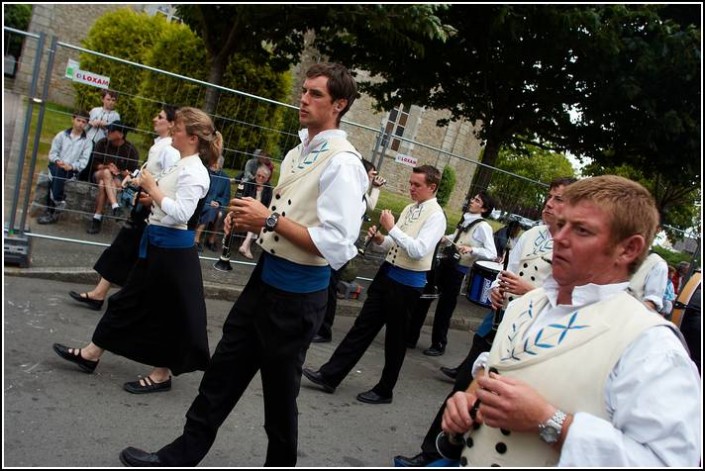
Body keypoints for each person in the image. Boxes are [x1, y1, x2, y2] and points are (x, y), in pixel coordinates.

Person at [119, 62, 368, 467]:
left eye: (315, 94)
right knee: (220, 377)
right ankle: (181, 455)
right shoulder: (298, 150)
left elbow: (337, 246)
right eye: (304, 90)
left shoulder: (344, 163)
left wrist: (268, 220)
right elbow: (292, 213)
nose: (303, 98)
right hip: (264, 283)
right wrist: (255, 217)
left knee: (279, 400)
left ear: (339, 104)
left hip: (297, 298)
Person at [441, 175, 701, 467]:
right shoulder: (524, 305)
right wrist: (466, 402)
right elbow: (495, 370)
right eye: (561, 224)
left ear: (628, 249)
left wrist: (549, 422)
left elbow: (670, 462)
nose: (559, 238)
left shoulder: (650, 345)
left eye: (581, 230)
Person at [394, 176, 575, 467]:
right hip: (499, 321)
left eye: (559, 199)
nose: (550, 204)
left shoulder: (572, 245)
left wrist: (529, 292)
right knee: (464, 387)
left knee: (502, 399)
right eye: (550, 196)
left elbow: (569, 297)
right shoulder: (531, 234)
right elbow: (507, 270)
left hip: (533, 333)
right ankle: (432, 453)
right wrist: (495, 291)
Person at [53, 106, 220, 395]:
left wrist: (152, 189)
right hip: (156, 246)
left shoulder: (195, 171)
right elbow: (167, 202)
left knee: (170, 314)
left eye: (178, 129)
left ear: (192, 137)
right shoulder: (181, 163)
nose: (173, 134)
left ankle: (161, 374)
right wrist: (150, 199)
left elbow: (181, 214)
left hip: (173, 255)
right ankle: (92, 354)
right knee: (127, 301)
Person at [303, 164, 447, 405]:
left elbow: (418, 250)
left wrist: (391, 228)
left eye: (417, 185)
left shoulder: (437, 216)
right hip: (388, 275)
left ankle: (385, 389)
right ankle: (330, 375)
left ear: (432, 187)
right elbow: (395, 243)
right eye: (411, 183)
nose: (411, 188)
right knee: (362, 327)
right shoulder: (411, 208)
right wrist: (382, 239)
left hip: (408, 283)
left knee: (395, 340)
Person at [69, 106, 179, 310]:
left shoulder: (169, 149)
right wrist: (135, 179)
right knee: (125, 249)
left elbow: (168, 179)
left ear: (171, 124)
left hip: (150, 209)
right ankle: (101, 294)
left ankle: (132, 302)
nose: (155, 119)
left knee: (136, 254)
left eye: (160, 117)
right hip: (144, 205)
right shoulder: (161, 145)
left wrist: (149, 191)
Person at [312, 158, 385, 343]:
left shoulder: (358, 192)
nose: (372, 178)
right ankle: (317, 324)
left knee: (329, 287)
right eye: (370, 174)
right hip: (333, 244)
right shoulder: (353, 191)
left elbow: (370, 205)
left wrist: (375, 188)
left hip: (340, 248)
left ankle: (324, 329)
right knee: (323, 285)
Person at [420, 191, 497, 357]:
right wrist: (445, 238)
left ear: (484, 208)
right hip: (447, 263)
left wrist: (472, 249)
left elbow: (492, 252)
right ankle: (411, 335)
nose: (472, 201)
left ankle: (439, 344)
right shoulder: (466, 218)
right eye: (473, 198)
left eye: (477, 201)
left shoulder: (483, 227)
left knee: (445, 308)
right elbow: (456, 237)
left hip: (458, 270)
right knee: (426, 296)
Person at [36, 109, 93, 225]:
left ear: (86, 124)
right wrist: (58, 161)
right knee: (58, 172)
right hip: (56, 165)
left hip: (71, 171)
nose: (80, 124)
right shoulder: (61, 135)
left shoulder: (87, 142)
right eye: (78, 120)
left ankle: (51, 210)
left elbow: (83, 161)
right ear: (73, 119)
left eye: (83, 122)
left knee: (56, 178)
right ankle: (58, 201)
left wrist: (71, 166)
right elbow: (53, 153)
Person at [85, 120, 140, 234]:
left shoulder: (131, 150)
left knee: (102, 185)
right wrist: (107, 167)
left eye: (111, 130)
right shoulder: (102, 143)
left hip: (117, 180)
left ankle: (97, 218)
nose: (107, 132)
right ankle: (115, 206)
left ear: (120, 134)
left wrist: (119, 171)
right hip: (98, 174)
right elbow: (94, 164)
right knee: (105, 173)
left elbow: (133, 173)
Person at [195, 155, 231, 252]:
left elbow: (226, 197)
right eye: (213, 162)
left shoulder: (225, 179)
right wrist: (209, 201)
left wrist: (219, 203)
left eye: (216, 163)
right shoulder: (204, 173)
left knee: (220, 214)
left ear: (221, 165)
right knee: (211, 210)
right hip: (203, 202)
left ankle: (211, 238)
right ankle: (197, 238)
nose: (214, 165)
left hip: (217, 206)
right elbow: (199, 191)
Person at [237, 164, 273, 259]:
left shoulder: (268, 189)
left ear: (267, 179)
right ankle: (246, 246)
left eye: (263, 177)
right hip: (245, 210)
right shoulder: (248, 184)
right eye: (258, 175)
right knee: (256, 220)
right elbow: (241, 199)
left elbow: (268, 204)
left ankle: (245, 245)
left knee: (260, 220)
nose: (260, 178)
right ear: (255, 174)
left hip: (260, 214)